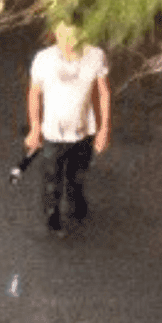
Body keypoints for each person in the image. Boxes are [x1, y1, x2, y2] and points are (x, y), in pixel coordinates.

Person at [23, 21, 112, 236]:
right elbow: (34, 93)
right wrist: (35, 128)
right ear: (56, 35)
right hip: (54, 132)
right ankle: (52, 219)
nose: (68, 44)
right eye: (63, 37)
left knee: (78, 173)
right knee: (52, 180)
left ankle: (76, 202)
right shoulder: (44, 59)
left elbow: (103, 93)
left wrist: (103, 129)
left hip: (83, 131)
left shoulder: (96, 56)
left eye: (74, 38)